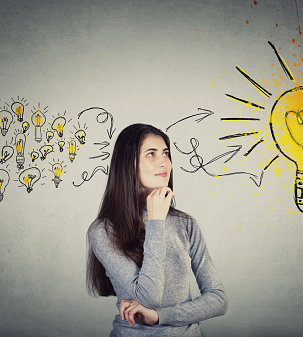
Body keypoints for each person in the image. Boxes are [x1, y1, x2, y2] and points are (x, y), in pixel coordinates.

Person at [87, 123, 227, 336]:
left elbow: (218, 299)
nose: (164, 162)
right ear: (127, 164)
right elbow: (149, 298)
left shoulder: (185, 223)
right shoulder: (104, 230)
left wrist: (161, 317)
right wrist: (155, 222)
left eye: (166, 153)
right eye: (151, 154)